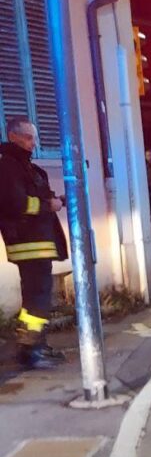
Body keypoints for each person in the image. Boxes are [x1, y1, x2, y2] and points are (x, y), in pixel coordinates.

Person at [0, 117, 68, 369]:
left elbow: (33, 196)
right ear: (14, 137)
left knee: (37, 298)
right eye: (29, 137)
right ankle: (31, 351)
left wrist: (55, 200)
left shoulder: (24, 166)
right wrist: (46, 205)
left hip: (37, 243)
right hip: (30, 244)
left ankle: (36, 344)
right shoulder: (8, 166)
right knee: (36, 300)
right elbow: (14, 203)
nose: (33, 143)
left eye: (34, 137)